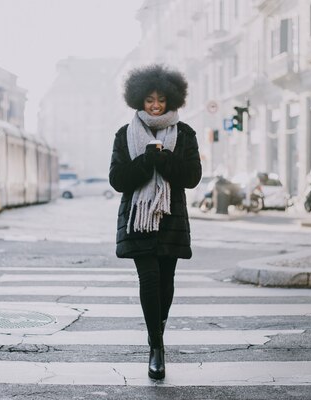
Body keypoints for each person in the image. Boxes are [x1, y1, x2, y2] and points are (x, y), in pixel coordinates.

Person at [109, 64, 202, 380]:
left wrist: (164, 159)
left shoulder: (185, 134)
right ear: (139, 100)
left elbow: (191, 178)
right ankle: (156, 348)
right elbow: (117, 180)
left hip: (171, 217)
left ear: (171, 99)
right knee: (148, 279)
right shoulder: (125, 135)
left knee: (166, 281)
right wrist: (145, 162)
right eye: (149, 99)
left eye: (161, 99)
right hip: (138, 220)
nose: (155, 105)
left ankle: (156, 332)